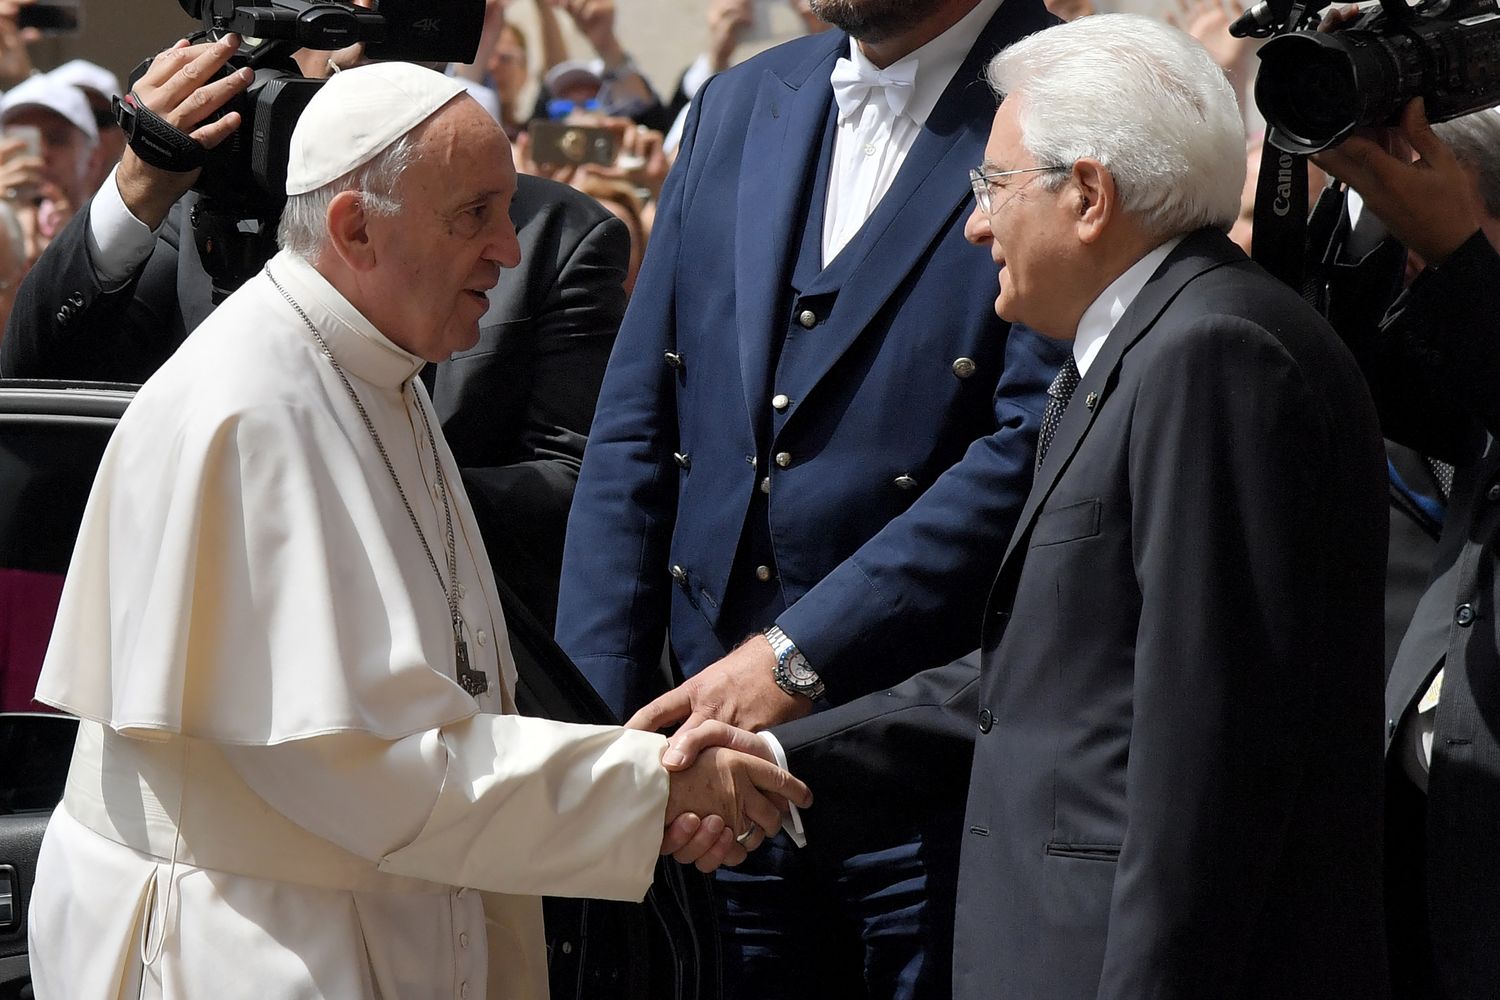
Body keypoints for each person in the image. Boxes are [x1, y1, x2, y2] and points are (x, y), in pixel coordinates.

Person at [25, 62, 809, 1000]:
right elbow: (364, 770)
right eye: (474, 215)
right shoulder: (255, 411)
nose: (510, 252)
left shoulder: (367, 364)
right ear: (356, 227)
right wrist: (655, 786)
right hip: (247, 940)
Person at [673, 13, 1392, 999]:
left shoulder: (1211, 356)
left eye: (994, 187)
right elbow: (1048, 678)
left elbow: (1207, 763)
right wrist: (775, 756)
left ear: (1088, 195)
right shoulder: (1130, 353)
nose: (976, 223)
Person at [561, 0, 1066, 996]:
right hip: (703, 794)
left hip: (933, 787)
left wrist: (796, 660)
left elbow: (1038, 443)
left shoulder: (1063, 99)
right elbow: (637, 432)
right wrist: (602, 751)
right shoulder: (739, 101)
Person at [0, 34, 629, 628]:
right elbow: (39, 388)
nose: (502, 251)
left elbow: (576, 488)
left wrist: (347, 493)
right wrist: (140, 183)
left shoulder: (552, 238)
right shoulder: (198, 208)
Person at [1313, 100, 1500, 1000]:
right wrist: (1364, 190)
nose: (1418, 277)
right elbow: (1363, 380)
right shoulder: (1461, 359)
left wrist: (1465, 258)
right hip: (1437, 855)